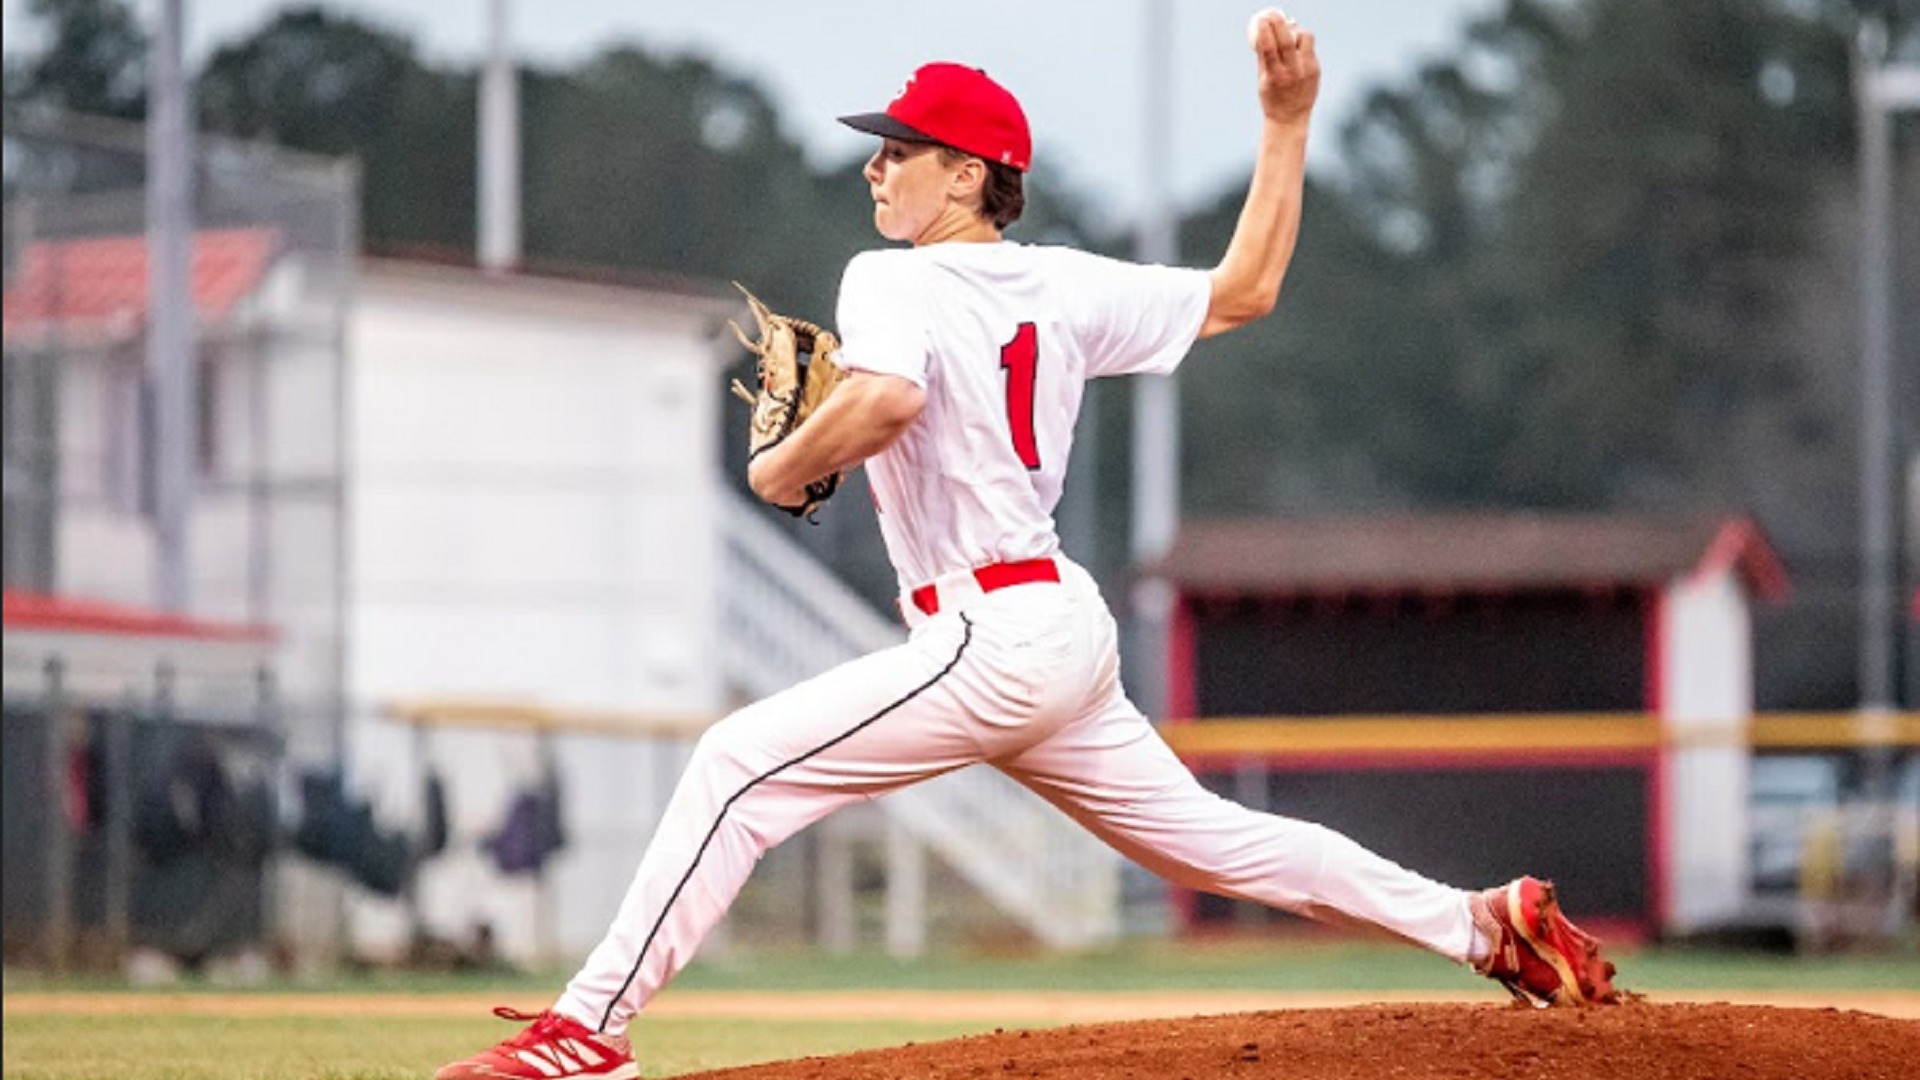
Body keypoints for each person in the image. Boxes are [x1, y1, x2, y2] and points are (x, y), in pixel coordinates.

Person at [434, 14, 1616, 1080]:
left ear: (969, 172)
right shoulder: (1063, 285)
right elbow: (1245, 288)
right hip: (1052, 628)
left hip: (990, 636)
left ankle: (588, 1030)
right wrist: (1286, 124)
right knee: (1222, 846)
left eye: (899, 149)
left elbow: (889, 401)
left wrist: (782, 466)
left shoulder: (889, 278)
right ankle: (1482, 924)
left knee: (738, 765)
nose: (874, 167)